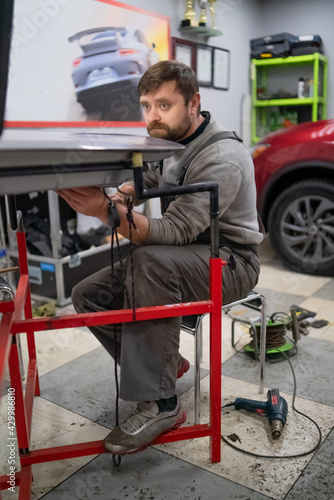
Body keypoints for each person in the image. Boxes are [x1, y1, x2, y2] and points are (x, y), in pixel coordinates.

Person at [57, 60, 263, 456]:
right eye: (147, 106)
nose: (153, 116)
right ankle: (166, 365)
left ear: (193, 103)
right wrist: (119, 195)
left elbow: (175, 231)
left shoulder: (221, 155)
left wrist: (105, 212)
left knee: (150, 262)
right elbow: (147, 180)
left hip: (232, 260)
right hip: (185, 255)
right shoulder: (169, 140)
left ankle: (162, 404)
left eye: (164, 105)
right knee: (88, 296)